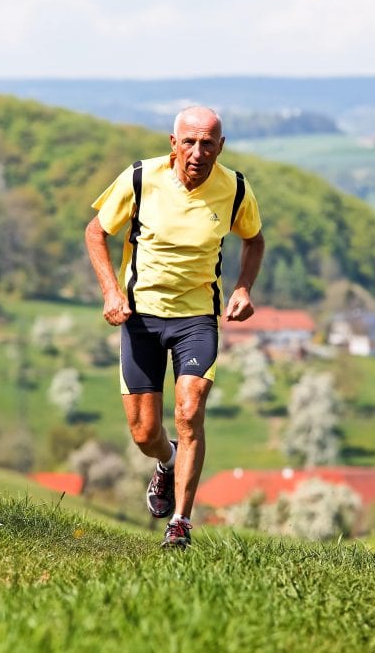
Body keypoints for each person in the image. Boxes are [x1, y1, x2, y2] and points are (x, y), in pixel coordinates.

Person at [84, 106, 265, 548]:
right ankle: (165, 462)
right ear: (173, 143)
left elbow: (254, 240)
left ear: (221, 147)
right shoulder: (141, 179)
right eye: (190, 142)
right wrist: (111, 292)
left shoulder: (236, 189)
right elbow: (95, 232)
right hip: (141, 316)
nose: (198, 152)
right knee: (145, 433)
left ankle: (180, 522)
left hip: (197, 318)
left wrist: (242, 288)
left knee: (189, 411)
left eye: (208, 144)